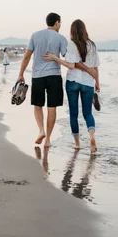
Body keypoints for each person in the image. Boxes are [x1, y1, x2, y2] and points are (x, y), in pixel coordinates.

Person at [43, 19, 100, 152]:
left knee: (73, 114)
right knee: (88, 114)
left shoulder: (72, 44)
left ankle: (77, 143)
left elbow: (71, 64)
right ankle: (91, 136)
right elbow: (96, 66)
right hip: (88, 83)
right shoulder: (92, 45)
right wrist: (97, 82)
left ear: (72, 31)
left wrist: (55, 58)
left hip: (73, 82)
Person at [17, 12, 69, 148]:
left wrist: (21, 73)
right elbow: (68, 59)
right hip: (54, 76)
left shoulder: (35, 35)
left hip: (37, 76)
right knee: (52, 108)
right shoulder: (61, 38)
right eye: (60, 23)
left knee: (38, 105)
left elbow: (27, 56)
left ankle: (41, 130)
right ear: (57, 23)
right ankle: (48, 140)